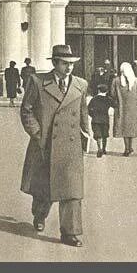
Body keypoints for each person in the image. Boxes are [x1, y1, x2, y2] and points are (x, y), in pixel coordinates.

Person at [20, 44, 89, 248]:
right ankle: (39, 215)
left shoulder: (80, 84)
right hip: (45, 144)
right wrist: (37, 133)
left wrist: (86, 134)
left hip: (71, 145)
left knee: (72, 191)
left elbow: (83, 111)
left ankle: (71, 233)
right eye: (65, 64)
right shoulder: (38, 82)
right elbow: (26, 110)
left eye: (72, 64)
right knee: (44, 188)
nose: (69, 68)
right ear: (55, 63)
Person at [110, 62, 137, 156]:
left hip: (121, 107)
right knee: (130, 127)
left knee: (124, 127)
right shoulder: (136, 81)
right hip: (133, 108)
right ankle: (130, 147)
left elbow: (112, 93)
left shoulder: (116, 80)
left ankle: (127, 148)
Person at [87, 84, 111, 158]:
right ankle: (104, 149)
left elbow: (88, 108)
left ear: (98, 90)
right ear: (106, 91)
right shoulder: (108, 99)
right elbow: (115, 105)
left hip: (96, 120)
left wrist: (92, 115)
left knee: (98, 135)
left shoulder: (94, 99)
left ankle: (99, 148)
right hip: (105, 120)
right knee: (105, 135)